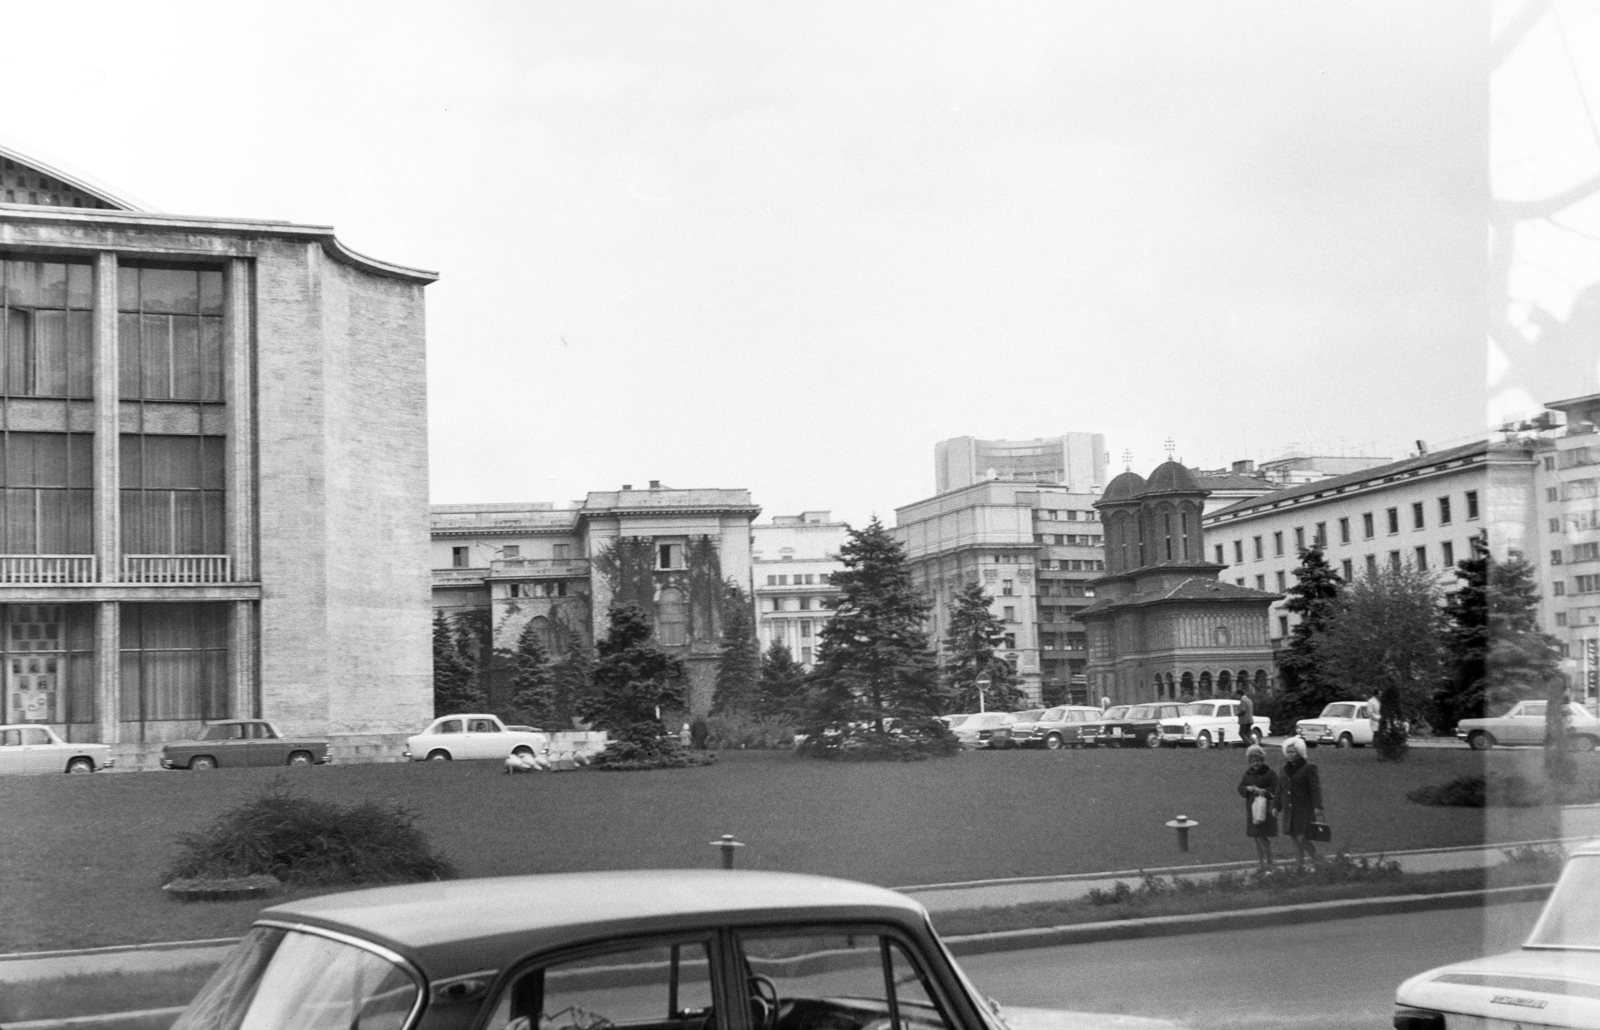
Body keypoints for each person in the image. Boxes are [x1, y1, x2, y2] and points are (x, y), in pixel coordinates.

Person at [1276, 736, 1325, 868]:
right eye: (1288, 752)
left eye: (1293, 752)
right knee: (1294, 838)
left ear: (1300, 752)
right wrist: (1276, 806)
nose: (1290, 754)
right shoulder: (1284, 769)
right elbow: (1280, 789)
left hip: (1304, 809)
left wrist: (1318, 806)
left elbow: (1315, 788)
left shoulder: (1309, 768)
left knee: (1302, 837)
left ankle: (1318, 860)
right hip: (1289, 810)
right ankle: (1300, 866)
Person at [1236, 743, 1278, 871]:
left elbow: (1275, 789)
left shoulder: (1270, 773)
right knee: (1255, 837)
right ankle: (1260, 864)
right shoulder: (1248, 774)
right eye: (1253, 761)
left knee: (1262, 837)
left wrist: (1262, 791)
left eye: (1259, 761)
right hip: (1252, 809)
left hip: (1264, 809)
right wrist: (1247, 789)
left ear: (1263, 760)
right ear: (1249, 762)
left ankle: (1270, 863)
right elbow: (1240, 787)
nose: (1256, 764)